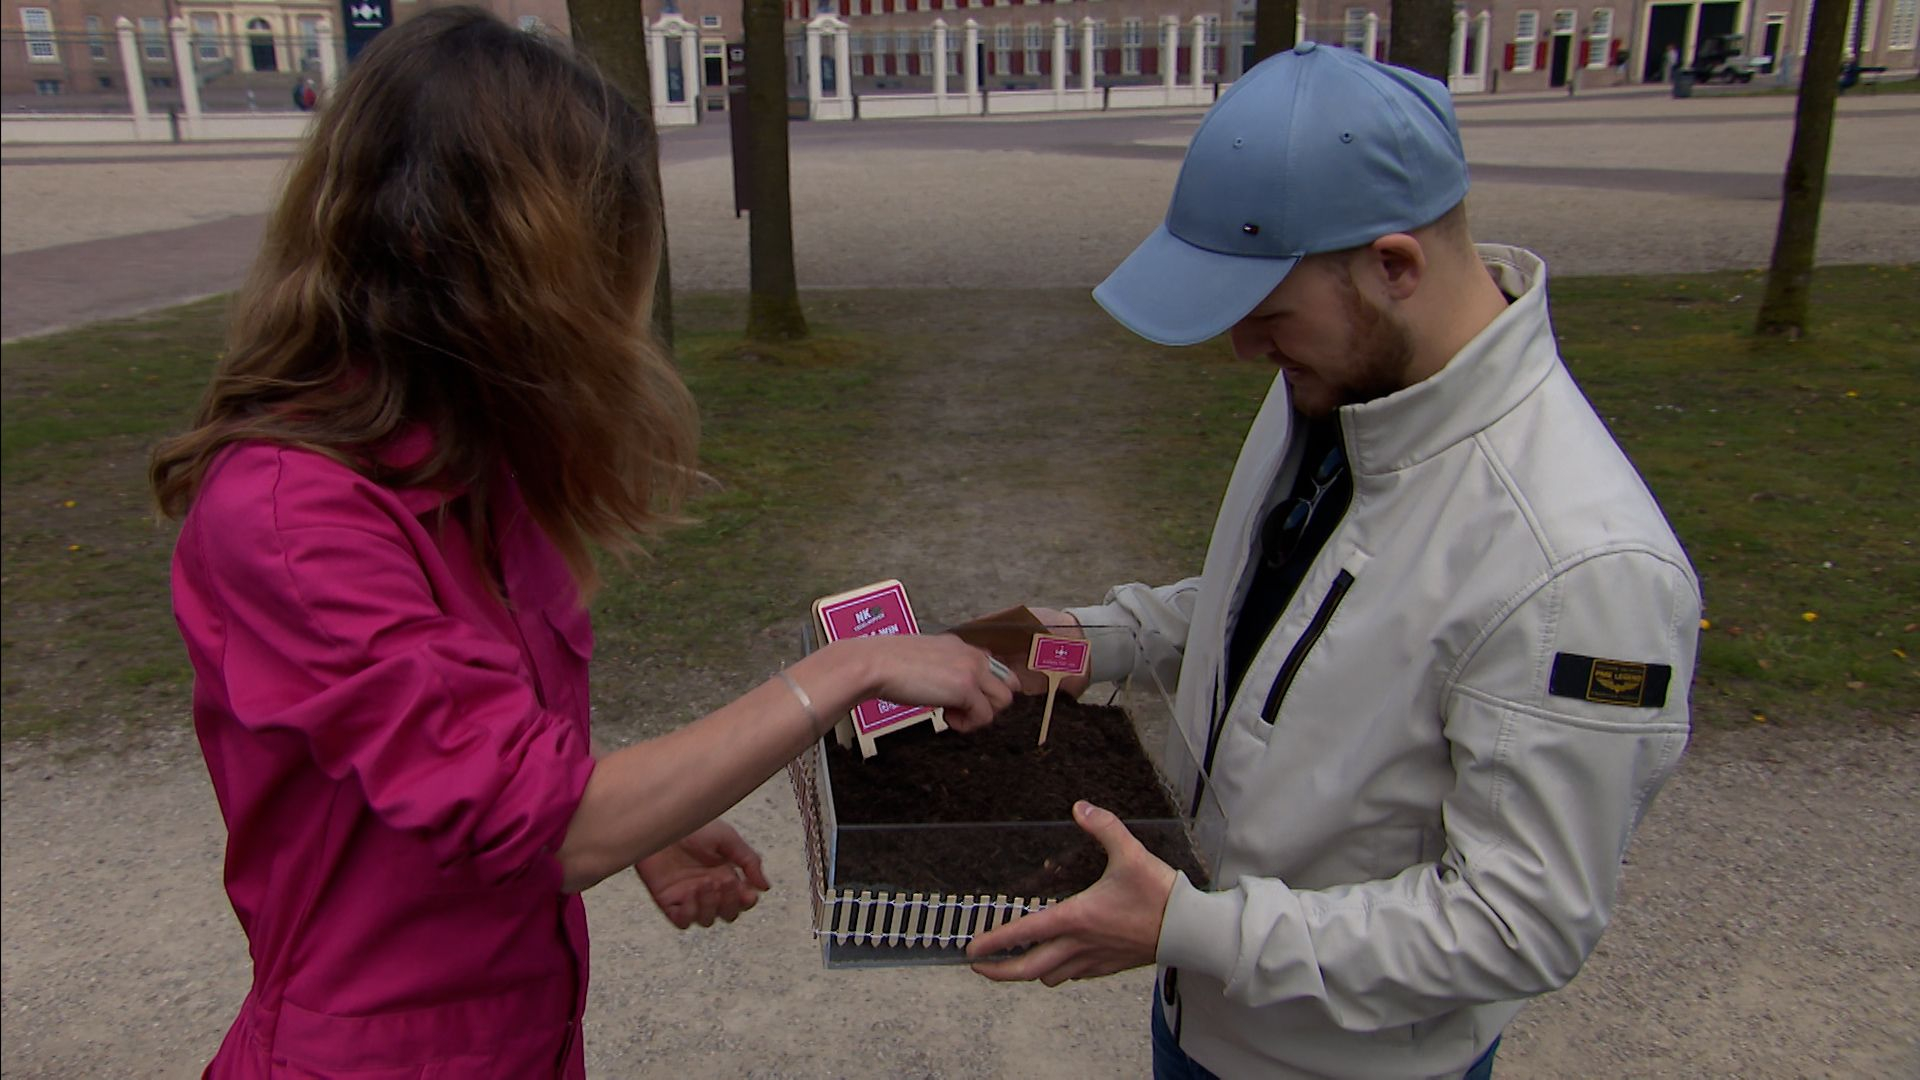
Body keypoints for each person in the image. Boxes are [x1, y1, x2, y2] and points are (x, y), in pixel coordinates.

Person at [148, 9, 1017, 1077]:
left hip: (521, 1041)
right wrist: (851, 667)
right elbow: (546, 824)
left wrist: (642, 823)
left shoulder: (461, 459)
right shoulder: (290, 513)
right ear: (437, 245)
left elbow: (471, 754)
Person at [967, 41, 1700, 1080]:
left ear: (1395, 266)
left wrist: (1192, 930)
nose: (1242, 351)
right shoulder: (1348, 385)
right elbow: (1282, 610)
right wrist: (1084, 642)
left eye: (1266, 316)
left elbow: (1518, 924)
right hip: (1200, 1018)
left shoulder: (1580, 568)